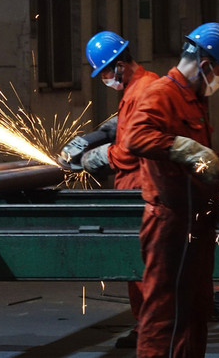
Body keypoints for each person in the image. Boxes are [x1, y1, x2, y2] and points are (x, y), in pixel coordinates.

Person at [125, 22, 219, 357]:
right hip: (169, 227)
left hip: (195, 226)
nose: (218, 82)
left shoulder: (193, 99)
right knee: (163, 316)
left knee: (195, 312)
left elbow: (201, 156)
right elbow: (136, 136)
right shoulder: (162, 93)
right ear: (205, 66)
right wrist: (185, 148)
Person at [58, 30, 159, 349]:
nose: (104, 78)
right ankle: (146, 325)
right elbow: (126, 123)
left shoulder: (143, 89)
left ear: (119, 65)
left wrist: (94, 157)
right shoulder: (140, 86)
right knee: (137, 265)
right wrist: (96, 135)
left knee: (143, 266)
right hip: (133, 189)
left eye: (104, 72)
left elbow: (132, 148)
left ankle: (151, 330)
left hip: (142, 188)